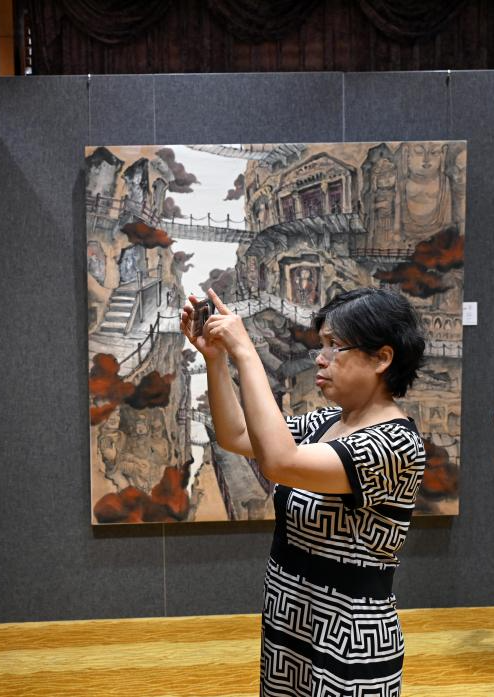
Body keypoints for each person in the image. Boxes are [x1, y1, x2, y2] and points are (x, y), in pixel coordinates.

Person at [183, 287, 426, 696]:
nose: (320, 358)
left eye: (334, 346)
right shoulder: (326, 422)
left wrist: (246, 351)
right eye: (321, 345)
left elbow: (281, 462)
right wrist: (216, 359)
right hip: (291, 623)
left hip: (347, 639)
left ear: (382, 358)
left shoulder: (395, 444)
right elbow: (236, 435)